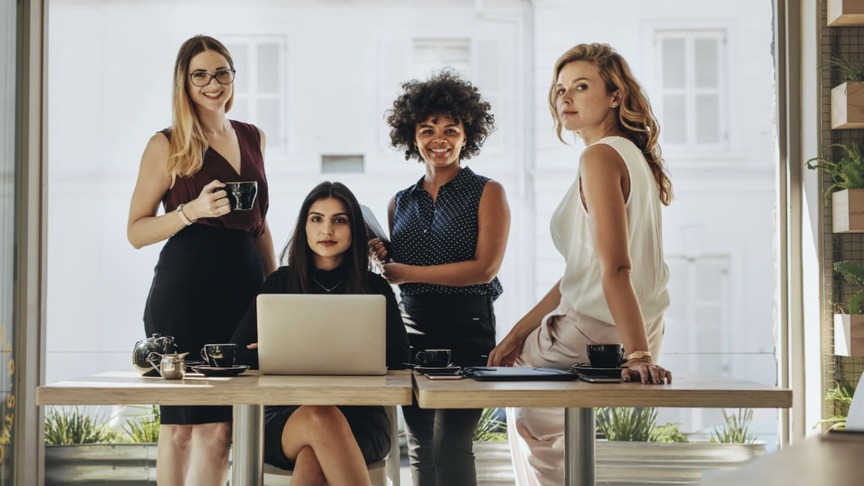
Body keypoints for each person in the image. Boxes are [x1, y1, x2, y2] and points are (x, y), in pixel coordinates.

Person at [486, 43, 673, 485]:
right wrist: (519, 332)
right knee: (551, 429)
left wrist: (638, 354)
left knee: (532, 425)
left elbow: (616, 268)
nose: (565, 98)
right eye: (561, 89)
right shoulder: (633, 156)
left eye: (581, 87)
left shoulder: (599, 157)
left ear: (615, 95)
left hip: (596, 331)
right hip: (638, 323)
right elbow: (581, 274)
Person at [127, 35, 276, 485]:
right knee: (180, 427)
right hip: (185, 289)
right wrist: (191, 211)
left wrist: (274, 290)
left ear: (233, 77)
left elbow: (260, 223)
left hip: (243, 288)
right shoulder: (166, 143)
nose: (213, 84)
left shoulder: (253, 136)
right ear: (185, 83)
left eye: (222, 72)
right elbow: (136, 231)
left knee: (221, 429)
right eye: (201, 75)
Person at [370, 70, 510, 486]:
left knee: (450, 442)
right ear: (412, 135)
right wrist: (385, 254)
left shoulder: (488, 192)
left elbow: (484, 268)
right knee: (421, 447)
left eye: (451, 129)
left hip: (468, 330)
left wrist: (404, 271)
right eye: (428, 129)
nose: (439, 139)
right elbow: (407, 267)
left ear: (468, 135)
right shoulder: (401, 201)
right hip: (411, 330)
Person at [230, 181, 410, 485]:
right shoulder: (279, 283)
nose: (327, 230)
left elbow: (400, 358)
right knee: (319, 416)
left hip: (362, 418)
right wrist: (272, 350)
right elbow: (236, 352)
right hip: (285, 417)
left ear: (354, 229)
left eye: (339, 220)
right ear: (304, 227)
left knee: (313, 454)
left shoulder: (374, 287)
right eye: (317, 219)